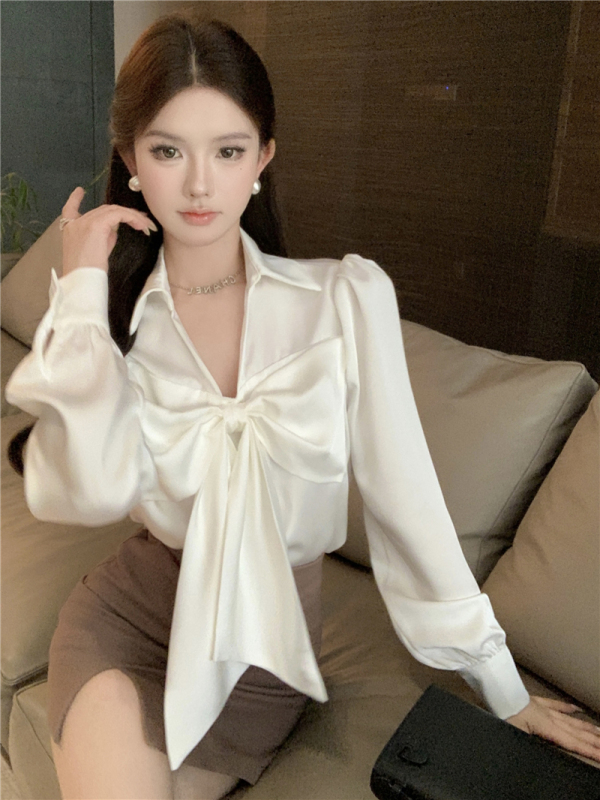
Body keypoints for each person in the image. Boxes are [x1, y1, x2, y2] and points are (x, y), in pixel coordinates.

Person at [6, 8, 600, 800]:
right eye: (168, 150)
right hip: (131, 617)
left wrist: (504, 687)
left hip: (257, 658)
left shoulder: (342, 303)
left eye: (227, 150)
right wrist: (80, 296)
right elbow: (83, 488)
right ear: (131, 160)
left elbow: (407, 502)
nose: (199, 184)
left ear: (263, 157)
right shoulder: (117, 312)